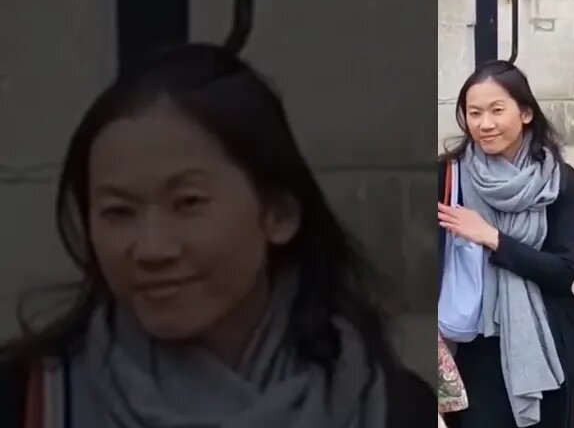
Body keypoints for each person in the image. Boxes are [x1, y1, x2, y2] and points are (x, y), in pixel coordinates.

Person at [0, 43, 434, 427]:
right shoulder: (29, 403)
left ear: (278, 214)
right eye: (118, 211)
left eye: (188, 203)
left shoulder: (388, 409)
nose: (151, 249)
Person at [436, 60, 574, 428]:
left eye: (496, 110)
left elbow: (561, 272)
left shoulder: (560, 183)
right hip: (473, 346)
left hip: (547, 342)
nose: (484, 124)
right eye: (474, 113)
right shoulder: (446, 176)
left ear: (525, 113)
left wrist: (492, 239)